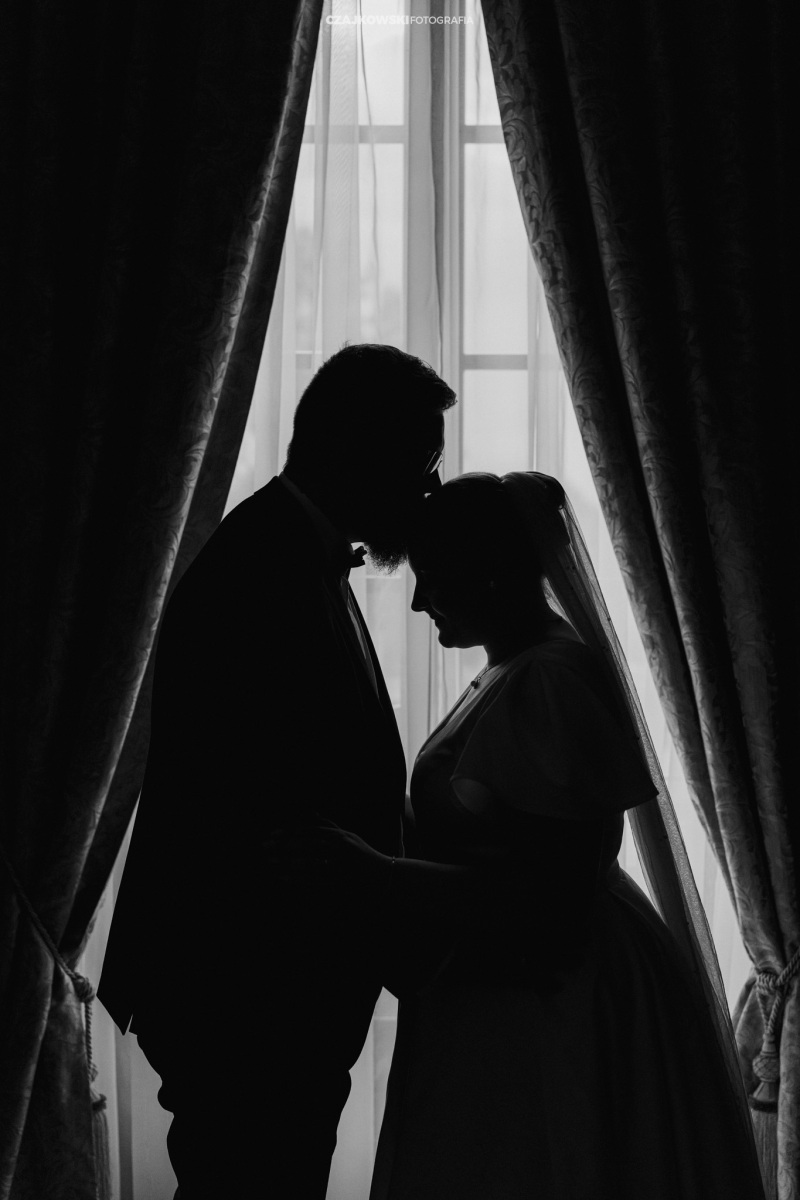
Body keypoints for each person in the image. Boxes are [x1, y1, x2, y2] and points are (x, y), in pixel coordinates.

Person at [268, 471, 766, 1199]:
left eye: (433, 577)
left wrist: (376, 872)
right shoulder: (515, 667)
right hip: (504, 985)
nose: (417, 601)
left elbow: (549, 898)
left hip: (553, 998)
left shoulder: (549, 681)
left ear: (490, 574)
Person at [98, 344, 456, 1199]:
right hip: (250, 996)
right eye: (420, 464)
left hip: (273, 995)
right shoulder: (260, 570)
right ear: (356, 451)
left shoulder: (296, 553)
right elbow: (254, 807)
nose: (431, 489)